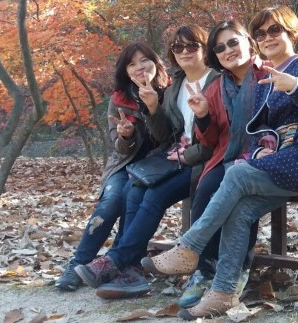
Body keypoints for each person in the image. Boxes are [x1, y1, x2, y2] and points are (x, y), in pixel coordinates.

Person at [142, 6, 298, 320]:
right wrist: (259, 148)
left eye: (274, 30)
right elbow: (265, 131)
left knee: (235, 174)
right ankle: (223, 292)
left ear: (291, 31)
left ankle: (189, 248)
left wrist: (296, 86)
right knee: (240, 209)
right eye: (261, 33)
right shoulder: (253, 81)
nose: (267, 37)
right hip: (284, 160)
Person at [76, 25, 218, 299]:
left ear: (205, 48)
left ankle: (117, 261)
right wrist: (152, 108)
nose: (185, 51)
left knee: (154, 194)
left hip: (201, 162)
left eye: (192, 46)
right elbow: (166, 135)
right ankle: (129, 270)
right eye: (178, 47)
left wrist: (186, 153)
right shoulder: (176, 87)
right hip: (165, 160)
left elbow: (219, 136)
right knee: (132, 190)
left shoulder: (217, 81)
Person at [55, 43, 169, 291]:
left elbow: (168, 137)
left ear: (156, 63)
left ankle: (117, 262)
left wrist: (153, 107)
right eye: (132, 64)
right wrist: (126, 135)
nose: (139, 67)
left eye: (144, 60)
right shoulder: (119, 99)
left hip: (159, 165)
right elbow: (119, 148)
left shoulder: (172, 91)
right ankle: (79, 263)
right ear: (125, 71)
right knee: (112, 201)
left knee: (133, 197)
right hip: (124, 164)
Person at [176, 20, 267, 308]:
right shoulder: (217, 87)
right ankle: (204, 271)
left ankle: (237, 270)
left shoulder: (268, 72)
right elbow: (211, 139)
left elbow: (294, 65)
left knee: (242, 197)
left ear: (248, 42)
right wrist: (203, 115)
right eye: (219, 47)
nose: (228, 50)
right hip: (225, 155)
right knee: (205, 192)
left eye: (233, 42)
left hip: (263, 156)